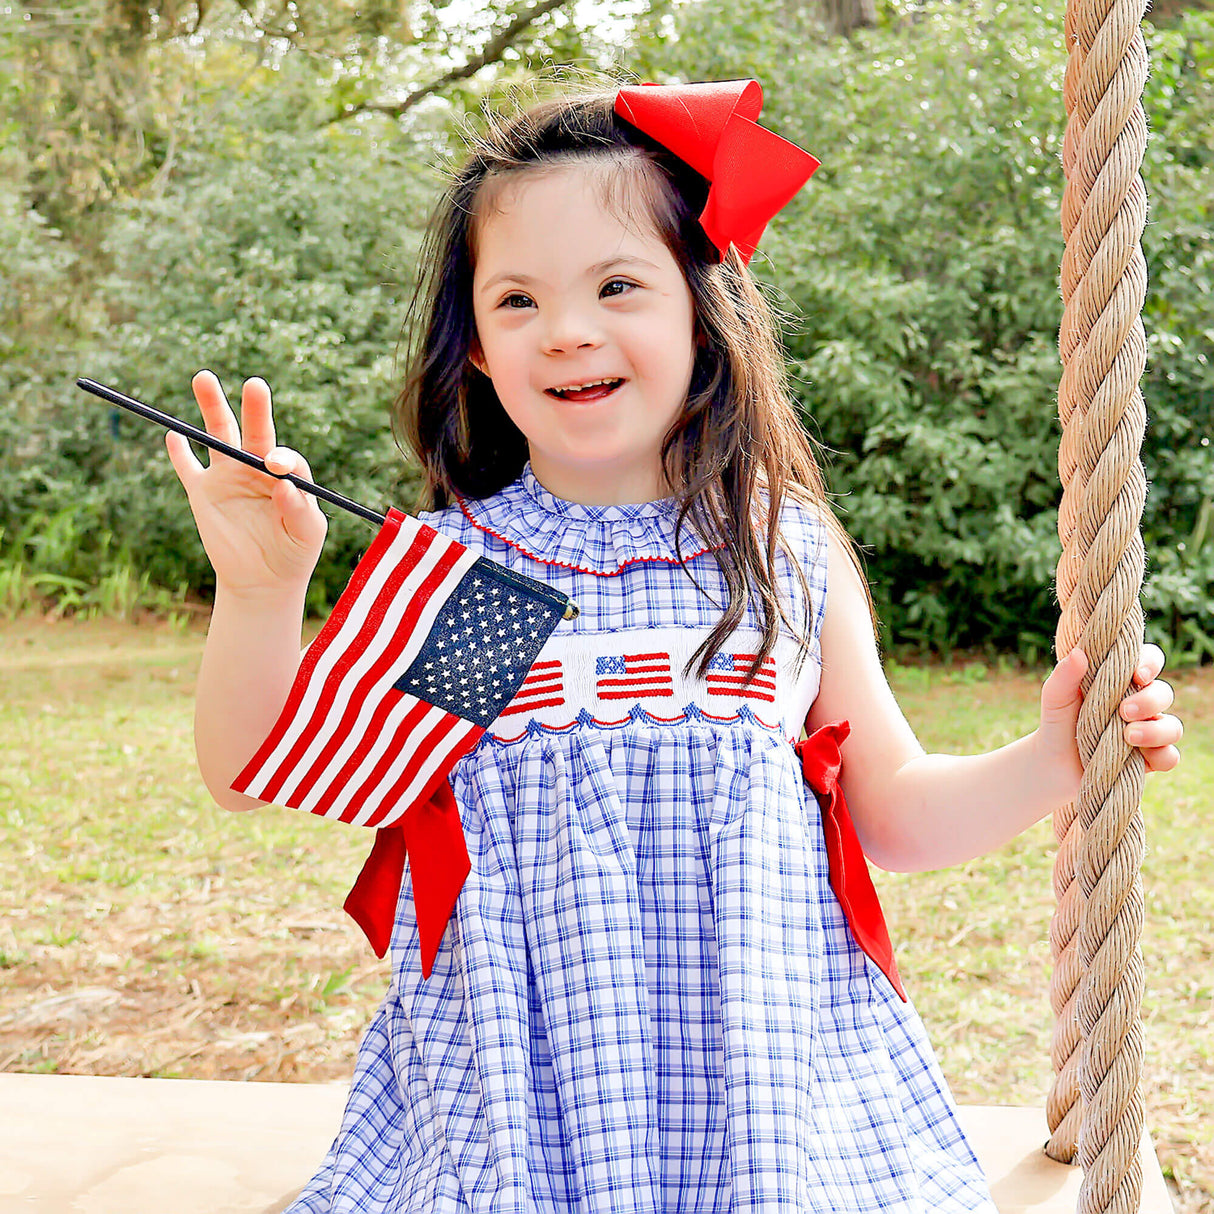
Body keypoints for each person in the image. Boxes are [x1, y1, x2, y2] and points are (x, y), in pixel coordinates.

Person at [167, 81, 1181, 1214]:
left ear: (703, 313)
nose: (565, 329)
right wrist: (260, 593)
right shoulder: (478, 579)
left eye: (616, 285)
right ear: (479, 354)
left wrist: (1050, 758)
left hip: (768, 1107)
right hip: (526, 1109)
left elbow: (890, 811)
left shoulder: (775, 552)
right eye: (515, 300)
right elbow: (257, 765)